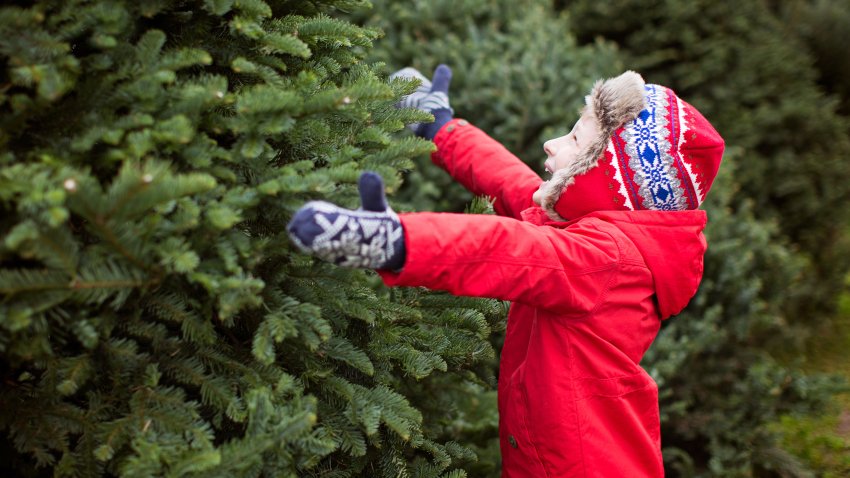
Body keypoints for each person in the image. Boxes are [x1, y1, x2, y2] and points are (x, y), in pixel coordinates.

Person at [287, 65, 724, 477]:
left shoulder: (606, 258)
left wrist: (396, 242)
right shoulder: (588, 231)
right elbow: (510, 182)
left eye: (575, 138)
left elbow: (507, 248)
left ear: (609, 180)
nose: (553, 143)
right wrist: (441, 127)